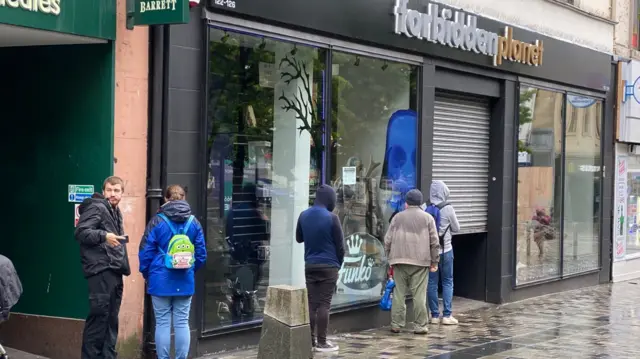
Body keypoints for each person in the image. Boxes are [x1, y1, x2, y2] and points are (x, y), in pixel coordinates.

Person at [139, 185, 207, 359]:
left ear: (165, 199)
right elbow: (201, 254)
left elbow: (145, 253)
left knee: (162, 322)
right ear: (184, 198)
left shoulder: (157, 221)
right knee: (182, 322)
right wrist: (190, 269)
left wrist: (147, 274)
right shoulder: (194, 222)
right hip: (185, 279)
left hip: (160, 280)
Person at [75, 176, 131, 359]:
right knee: (99, 320)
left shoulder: (115, 211)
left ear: (122, 193)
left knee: (110, 321)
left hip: (113, 270)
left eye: (116, 191)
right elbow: (82, 232)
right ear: (103, 190)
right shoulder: (97, 207)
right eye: (109, 190)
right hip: (100, 271)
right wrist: (103, 235)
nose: (112, 194)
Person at [296, 185, 345, 352]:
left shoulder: (303, 215)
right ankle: (322, 342)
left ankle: (309, 340)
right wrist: (338, 264)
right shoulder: (332, 218)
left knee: (312, 303)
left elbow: (298, 238)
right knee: (324, 304)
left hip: (310, 265)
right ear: (330, 199)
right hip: (329, 265)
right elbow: (340, 246)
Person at [384, 189, 440, 334]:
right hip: (420, 263)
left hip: (399, 261)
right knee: (419, 295)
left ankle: (396, 324)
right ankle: (420, 326)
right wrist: (435, 262)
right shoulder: (428, 218)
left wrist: (389, 257)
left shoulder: (397, 218)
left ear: (406, 203)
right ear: (421, 203)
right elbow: (435, 242)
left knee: (398, 294)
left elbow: (387, 240)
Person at [427, 180, 460, 325]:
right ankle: (447, 315)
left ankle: (434, 315)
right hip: (446, 250)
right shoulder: (448, 209)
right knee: (447, 281)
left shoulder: (425, 207)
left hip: (430, 253)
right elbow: (456, 228)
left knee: (432, 283)